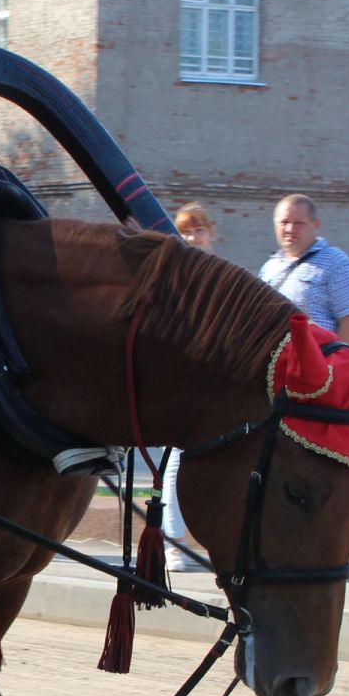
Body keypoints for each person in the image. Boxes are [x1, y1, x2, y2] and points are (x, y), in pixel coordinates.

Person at [163, 202, 217, 572]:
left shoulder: (219, 277)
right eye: (184, 230)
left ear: (211, 235)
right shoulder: (173, 278)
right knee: (172, 464)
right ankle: (173, 544)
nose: (191, 237)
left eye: (198, 230)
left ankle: (216, 543)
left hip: (214, 385)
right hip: (181, 383)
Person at [259, 194, 349, 346]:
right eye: (284, 222)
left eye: (299, 223)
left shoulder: (336, 262)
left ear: (315, 224)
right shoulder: (269, 267)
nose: (290, 229)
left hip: (315, 363)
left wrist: (336, 366)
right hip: (274, 363)